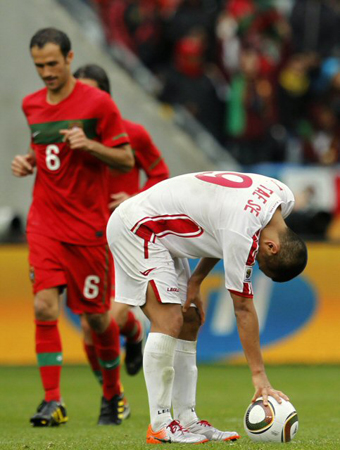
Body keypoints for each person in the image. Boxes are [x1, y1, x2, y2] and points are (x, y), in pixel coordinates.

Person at [106, 170, 308, 444]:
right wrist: (260, 376)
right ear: (272, 247)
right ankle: (161, 425)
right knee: (168, 320)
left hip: (165, 233)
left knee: (190, 318)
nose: (254, 263)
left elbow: (221, 229)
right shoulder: (243, 230)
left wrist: (196, 280)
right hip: (138, 227)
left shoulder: (282, 195)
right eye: (260, 261)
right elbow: (243, 309)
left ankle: (187, 419)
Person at [11, 28, 134, 427]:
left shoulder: (97, 103)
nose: (45, 72)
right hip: (44, 221)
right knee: (44, 305)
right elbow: (44, 147)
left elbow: (126, 159)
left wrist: (91, 146)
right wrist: (30, 160)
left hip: (87, 228)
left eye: (52, 64)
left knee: (97, 319)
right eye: (38, 66)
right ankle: (53, 401)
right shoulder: (31, 105)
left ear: (68, 58)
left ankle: (113, 395)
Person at [73, 64, 170, 379]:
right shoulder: (71, 139)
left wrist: (134, 198)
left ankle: (115, 386)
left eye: (88, 91)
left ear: (105, 95)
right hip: (85, 234)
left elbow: (160, 175)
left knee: (107, 318)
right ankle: (114, 382)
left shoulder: (133, 134)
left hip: (123, 237)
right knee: (90, 325)